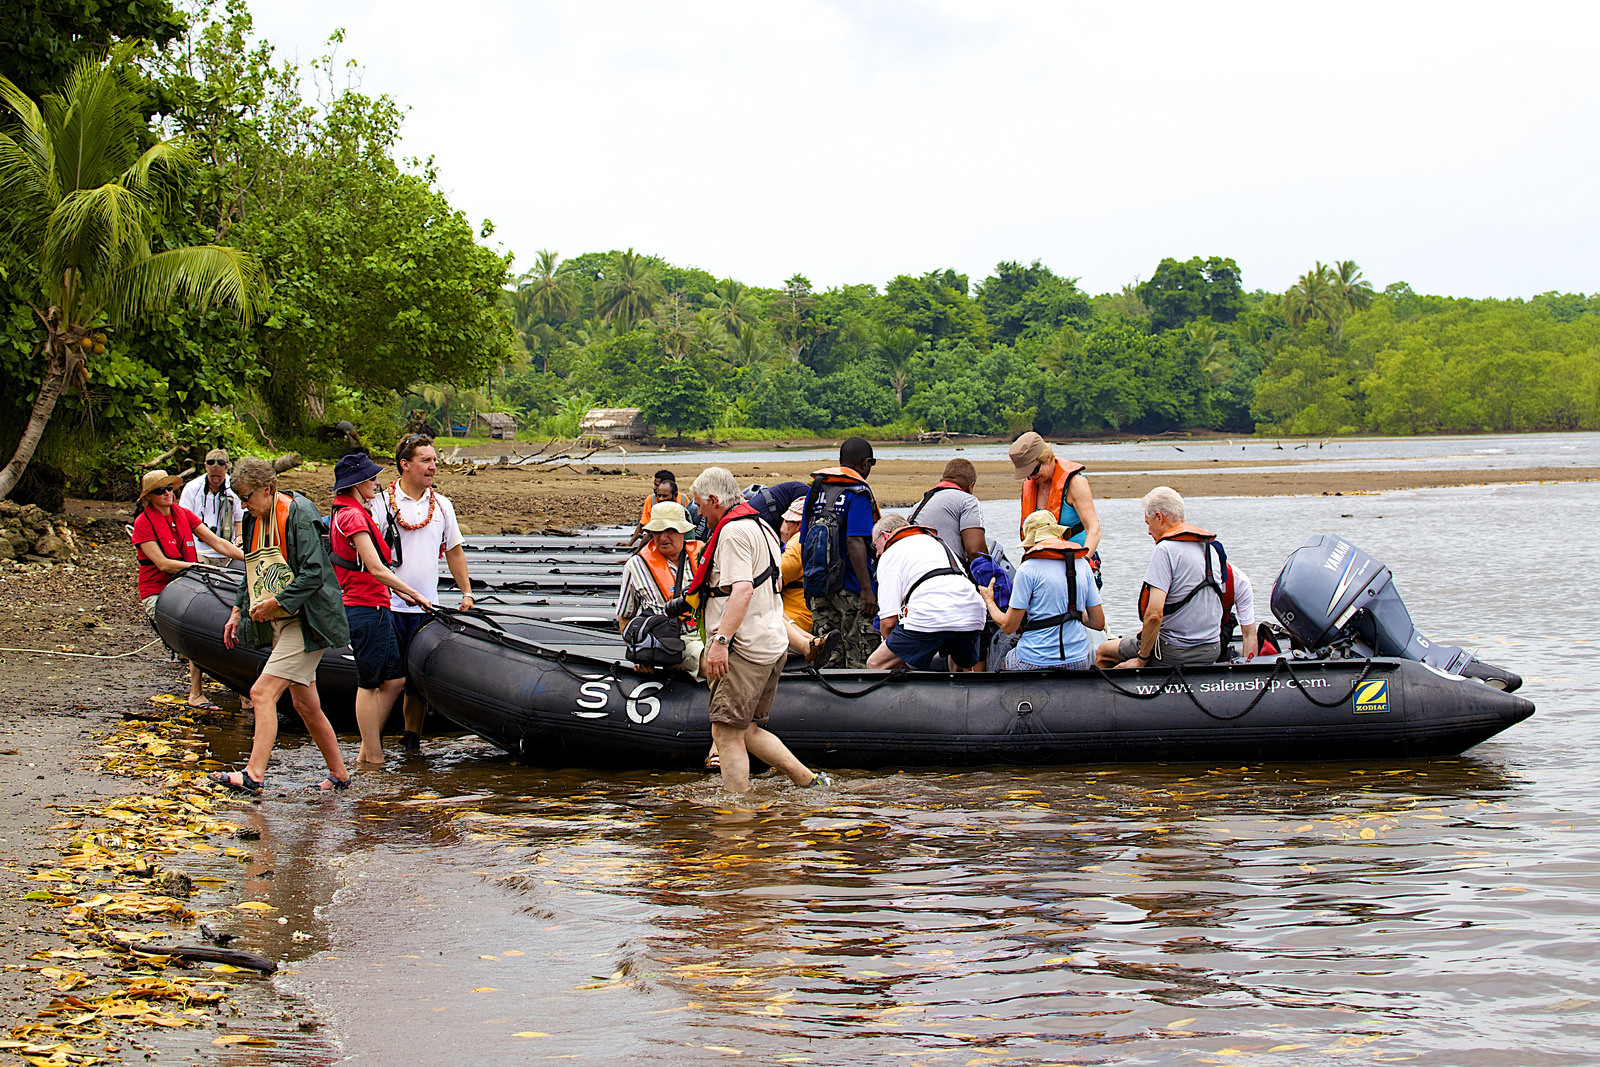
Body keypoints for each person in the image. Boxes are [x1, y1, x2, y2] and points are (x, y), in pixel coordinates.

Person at [680, 466, 826, 794]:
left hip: (745, 649)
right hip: (771, 643)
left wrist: (720, 642)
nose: (699, 513)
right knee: (748, 731)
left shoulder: (732, 533)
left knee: (725, 734)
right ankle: (810, 781)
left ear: (714, 500)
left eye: (700, 505)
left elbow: (743, 589)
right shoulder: (763, 527)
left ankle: (735, 815)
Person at [211, 459, 352, 793]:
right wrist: (237, 611)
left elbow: (315, 573)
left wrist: (277, 604)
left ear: (268, 489)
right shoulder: (252, 519)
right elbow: (251, 570)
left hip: (306, 622)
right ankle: (340, 775)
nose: (243, 505)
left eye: (246, 497)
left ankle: (254, 775)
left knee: (261, 692)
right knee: (305, 705)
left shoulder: (299, 514)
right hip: (282, 621)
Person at [367, 433, 474, 752]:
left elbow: (454, 551)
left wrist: (466, 592)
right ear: (405, 465)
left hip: (426, 610)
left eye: (435, 461)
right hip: (386, 606)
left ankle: (411, 740)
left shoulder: (443, 506)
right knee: (384, 679)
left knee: (416, 682)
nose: (433, 467)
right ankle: (372, 743)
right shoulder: (380, 503)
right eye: (426, 460)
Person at [328, 452, 432, 766]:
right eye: (371, 479)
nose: (376, 483)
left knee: (396, 680)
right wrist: (412, 592)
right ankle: (372, 754)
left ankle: (367, 748)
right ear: (355, 484)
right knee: (369, 682)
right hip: (364, 607)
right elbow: (375, 567)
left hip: (376, 604)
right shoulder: (353, 516)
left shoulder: (351, 512)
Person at [132, 469, 243, 709]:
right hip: (159, 590)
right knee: (195, 630)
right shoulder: (143, 523)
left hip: (190, 584)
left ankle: (242, 690)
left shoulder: (182, 514)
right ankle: (196, 692)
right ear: (149, 497)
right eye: (160, 491)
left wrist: (249, 557)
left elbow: (218, 542)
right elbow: (162, 563)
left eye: (169, 488)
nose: (167, 494)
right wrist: (199, 567)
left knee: (222, 619)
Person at [1096, 486, 1224, 669]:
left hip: (1174, 651)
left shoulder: (1165, 550)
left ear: (1159, 517)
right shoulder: (1210, 550)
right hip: (1211, 648)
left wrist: (1141, 659)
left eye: (1148, 523)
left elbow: (1154, 615)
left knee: (1104, 652)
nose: (1148, 531)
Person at [981, 510, 1104, 670]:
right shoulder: (1082, 565)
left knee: (1003, 652)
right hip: (1078, 660)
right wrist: (1072, 613)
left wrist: (989, 601)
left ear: (1032, 541)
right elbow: (1098, 622)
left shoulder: (1027, 569)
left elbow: (1009, 626)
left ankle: (994, 688)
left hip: (1033, 660)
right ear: (1057, 534)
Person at [865, 514, 986, 671]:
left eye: (875, 546)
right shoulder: (939, 544)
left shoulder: (890, 554)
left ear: (884, 536)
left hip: (930, 614)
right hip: (973, 613)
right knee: (962, 667)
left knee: (875, 664)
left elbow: (888, 622)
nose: (877, 554)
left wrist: (896, 652)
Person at [799, 437, 880, 668]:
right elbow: (855, 542)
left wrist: (808, 584)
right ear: (865, 464)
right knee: (860, 655)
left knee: (829, 657)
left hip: (820, 587)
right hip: (852, 588)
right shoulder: (857, 492)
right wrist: (867, 591)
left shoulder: (816, 489)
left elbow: (804, 541)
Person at [615, 501, 706, 681]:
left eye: (670, 531)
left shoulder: (702, 554)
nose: (663, 538)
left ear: (682, 531)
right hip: (673, 643)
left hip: (712, 633)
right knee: (712, 663)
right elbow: (625, 617)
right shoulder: (636, 566)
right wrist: (640, 654)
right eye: (657, 531)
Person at [1009, 431, 1103, 587]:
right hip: (1045, 566)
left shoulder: (1075, 483)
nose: (1031, 477)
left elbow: (1094, 529)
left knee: (1082, 612)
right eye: (1026, 474)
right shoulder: (1031, 484)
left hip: (1078, 560)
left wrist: (1084, 564)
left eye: (1033, 471)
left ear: (1047, 458)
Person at [907, 458, 988, 563]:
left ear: (942, 481)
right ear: (971, 487)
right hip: (946, 571)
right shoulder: (967, 500)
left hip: (917, 569)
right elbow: (976, 552)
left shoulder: (917, 508)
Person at [179, 449, 243, 563]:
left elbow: (240, 519)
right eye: (212, 476)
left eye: (219, 476)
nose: (215, 480)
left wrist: (239, 537)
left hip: (228, 551)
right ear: (205, 467)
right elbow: (183, 521)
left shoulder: (235, 488)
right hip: (199, 551)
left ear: (227, 467)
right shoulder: (192, 488)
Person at [619, 469, 692, 548]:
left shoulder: (683, 500)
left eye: (657, 485)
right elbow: (643, 525)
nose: (654, 488)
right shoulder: (651, 500)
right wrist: (630, 543)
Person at [745, 480, 810, 538]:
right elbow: (784, 531)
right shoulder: (805, 494)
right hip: (761, 516)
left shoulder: (796, 487)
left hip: (749, 510)